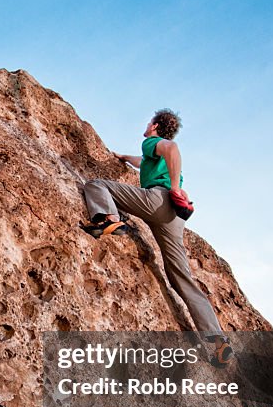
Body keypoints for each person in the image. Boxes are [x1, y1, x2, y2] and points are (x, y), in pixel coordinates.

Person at [79, 109, 232, 366]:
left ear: (156, 126)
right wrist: (123, 158)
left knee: (96, 185)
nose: (146, 124)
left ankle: (110, 220)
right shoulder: (151, 154)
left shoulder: (152, 141)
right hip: (174, 217)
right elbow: (143, 161)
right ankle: (218, 342)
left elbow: (171, 148)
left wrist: (173, 186)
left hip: (158, 199)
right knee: (180, 277)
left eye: (150, 121)